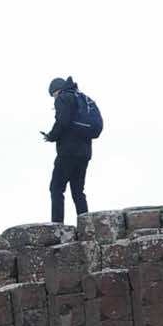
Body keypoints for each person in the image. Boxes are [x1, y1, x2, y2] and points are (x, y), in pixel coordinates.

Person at [41, 75, 94, 224]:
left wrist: (51, 136)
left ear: (56, 91)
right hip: (84, 152)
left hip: (68, 151)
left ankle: (57, 226)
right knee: (78, 191)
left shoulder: (63, 98)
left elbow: (62, 122)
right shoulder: (81, 97)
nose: (54, 99)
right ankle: (86, 226)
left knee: (56, 188)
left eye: (53, 95)